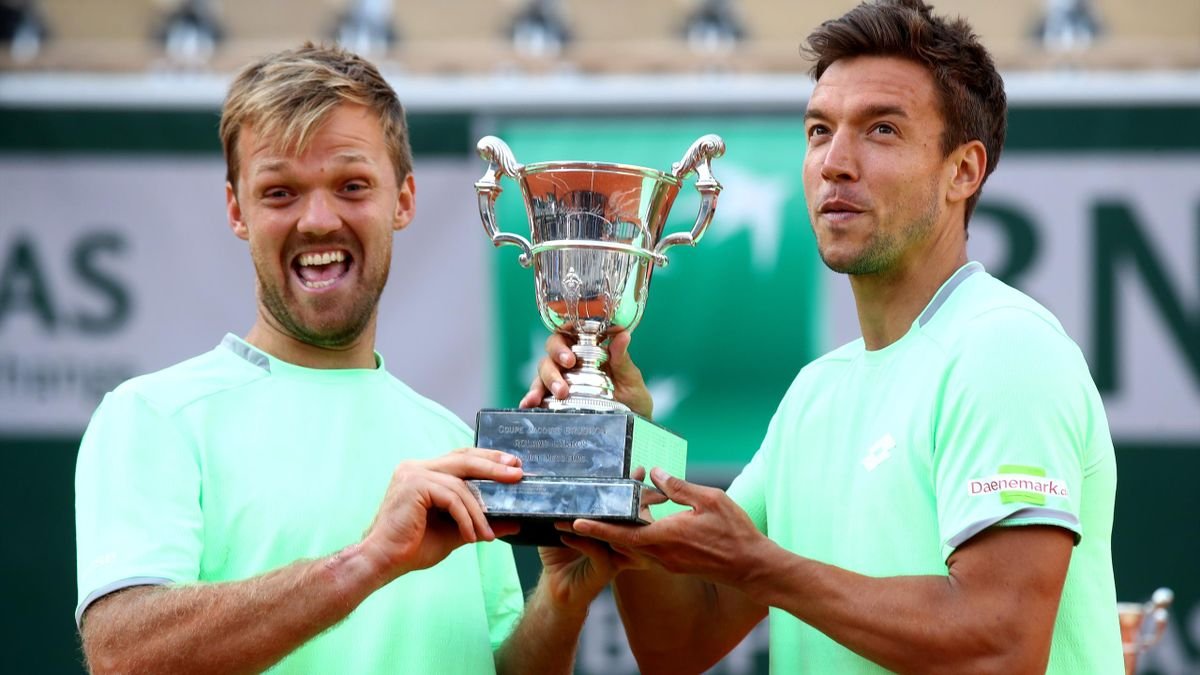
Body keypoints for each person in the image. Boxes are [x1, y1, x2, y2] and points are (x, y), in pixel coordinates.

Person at [525, 1, 1123, 672]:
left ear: (964, 171)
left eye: (882, 130)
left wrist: (767, 568)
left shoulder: (1006, 349)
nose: (836, 161)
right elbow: (680, 640)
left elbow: (1000, 645)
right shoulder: (818, 391)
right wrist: (617, 448)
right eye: (818, 131)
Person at [74, 43, 623, 674]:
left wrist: (561, 599)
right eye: (280, 191)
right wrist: (366, 561)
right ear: (237, 211)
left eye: (351, 185)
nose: (317, 220)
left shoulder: (449, 442)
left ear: (404, 199)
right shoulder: (153, 416)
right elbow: (123, 656)